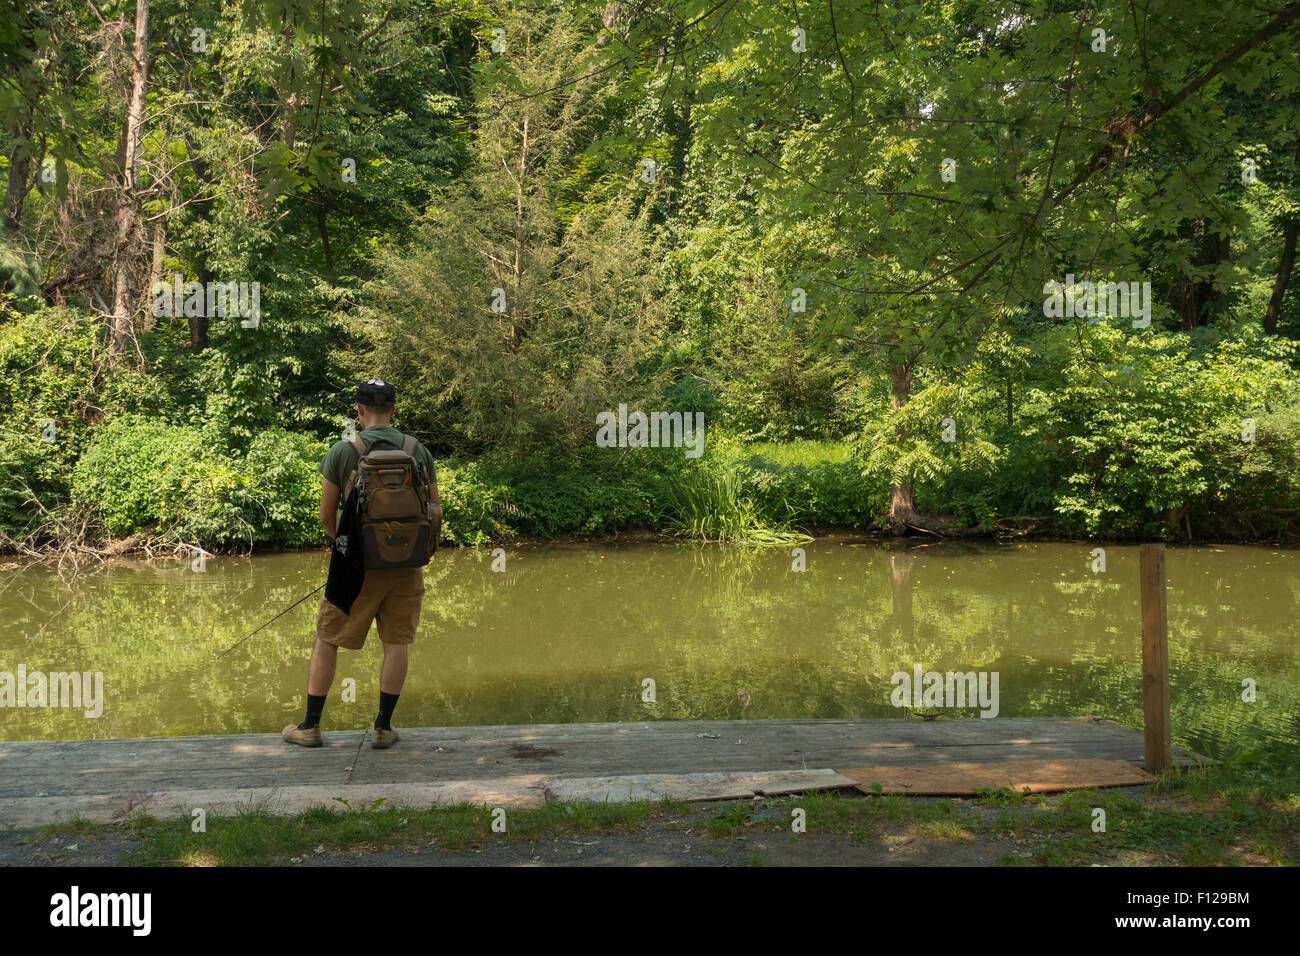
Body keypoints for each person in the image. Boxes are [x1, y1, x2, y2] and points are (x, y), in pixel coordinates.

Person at [282, 379, 439, 749]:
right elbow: (433, 510)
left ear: (359, 410)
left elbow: (326, 515)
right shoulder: (418, 451)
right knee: (396, 642)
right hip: (405, 566)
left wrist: (349, 549)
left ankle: (310, 726)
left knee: (327, 639)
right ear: (394, 410)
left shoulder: (343, 450)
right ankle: (383, 728)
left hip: (355, 567)